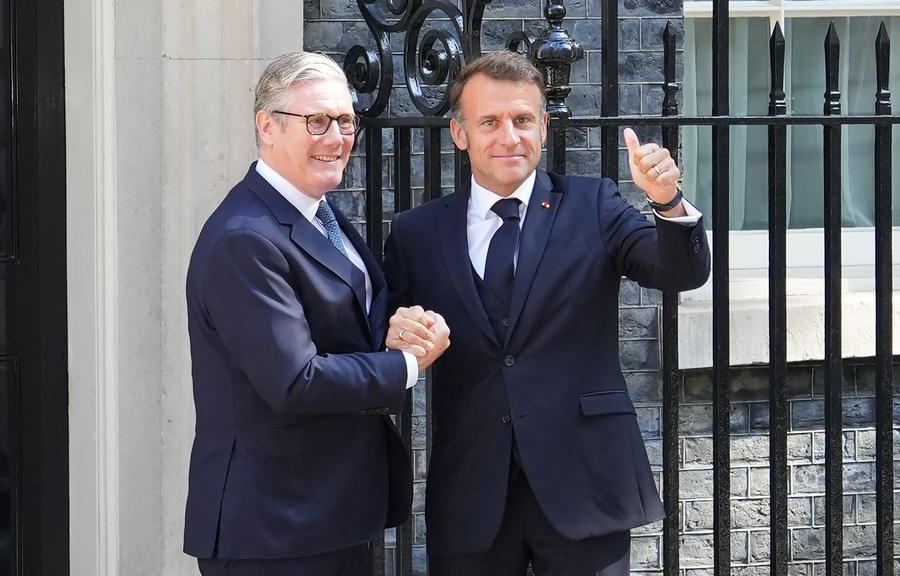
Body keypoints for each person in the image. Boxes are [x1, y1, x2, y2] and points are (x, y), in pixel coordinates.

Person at [383, 50, 710, 576]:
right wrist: (395, 332)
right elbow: (383, 329)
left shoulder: (594, 204)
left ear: (544, 127)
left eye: (522, 120)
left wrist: (668, 202)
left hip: (584, 483)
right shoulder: (416, 233)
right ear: (459, 133)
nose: (508, 136)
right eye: (489, 122)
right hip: (471, 490)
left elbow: (678, 272)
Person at [182, 51, 449, 576]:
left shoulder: (316, 210)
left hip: (325, 514)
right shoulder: (244, 238)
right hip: (274, 527)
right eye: (317, 121)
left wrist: (394, 329)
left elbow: (343, 320)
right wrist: (408, 364)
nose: (336, 137)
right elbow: (295, 380)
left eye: (345, 121)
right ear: (267, 126)